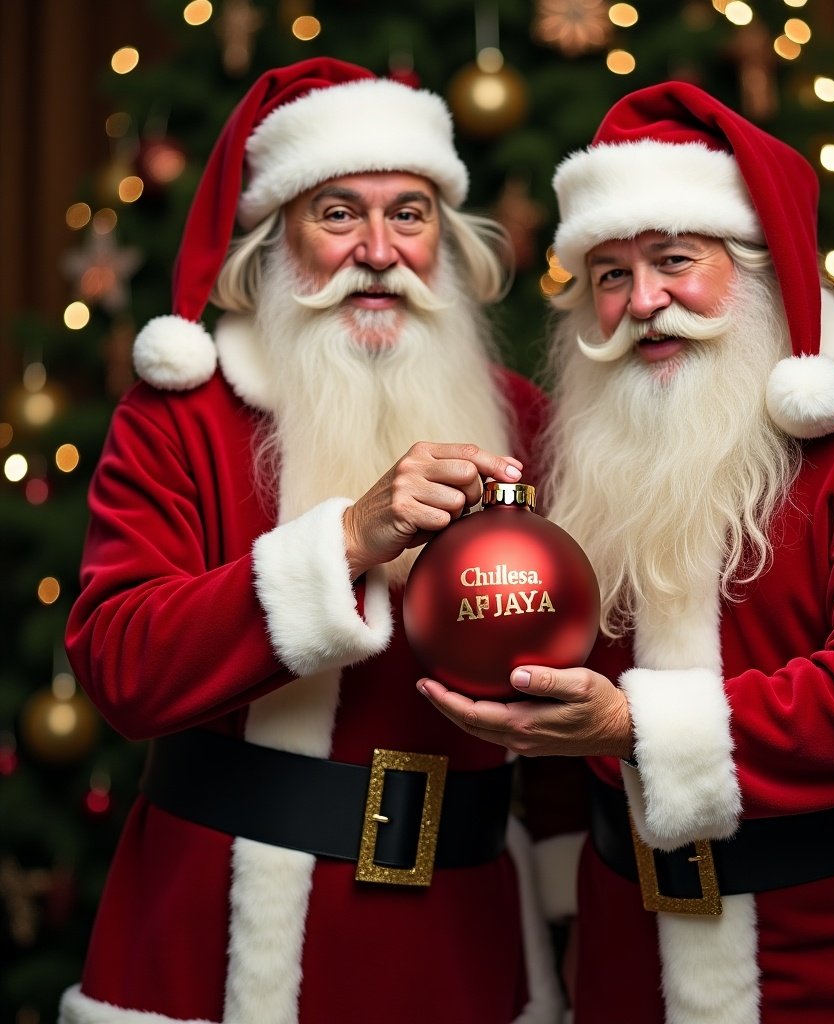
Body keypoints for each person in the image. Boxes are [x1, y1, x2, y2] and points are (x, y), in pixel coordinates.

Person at [419, 82, 834, 1023]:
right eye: (609, 274)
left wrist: (634, 725)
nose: (643, 301)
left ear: (758, 266)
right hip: (625, 951)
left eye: (675, 260)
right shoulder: (583, 448)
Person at [60, 58, 565, 1024]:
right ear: (275, 239)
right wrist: (347, 539)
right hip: (221, 945)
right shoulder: (187, 418)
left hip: (465, 945)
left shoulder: (523, 421)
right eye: (338, 214)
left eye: (410, 214)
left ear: (446, 242)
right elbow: (120, 665)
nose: (379, 250)